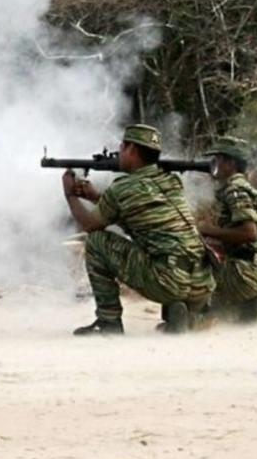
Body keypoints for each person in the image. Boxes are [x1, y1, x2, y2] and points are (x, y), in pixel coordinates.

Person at [62, 124, 216, 335]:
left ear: (132, 149)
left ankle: (109, 322)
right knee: (164, 249)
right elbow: (138, 220)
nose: (119, 154)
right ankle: (185, 313)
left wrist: (70, 195)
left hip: (168, 282)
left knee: (97, 241)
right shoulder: (171, 181)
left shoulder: (122, 188)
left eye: (122, 148)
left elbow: (89, 225)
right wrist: (97, 197)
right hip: (202, 281)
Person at [197, 137, 257, 323]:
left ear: (231, 163)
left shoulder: (234, 190)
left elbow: (249, 233)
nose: (214, 165)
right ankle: (244, 307)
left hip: (243, 274)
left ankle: (185, 320)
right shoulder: (248, 189)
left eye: (218, 159)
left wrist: (207, 230)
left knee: (188, 257)